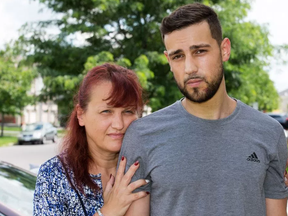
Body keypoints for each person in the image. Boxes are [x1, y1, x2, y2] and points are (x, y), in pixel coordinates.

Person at [120, 3, 288, 216]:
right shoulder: (143, 135)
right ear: (168, 61)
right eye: (178, 56)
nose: (189, 68)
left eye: (199, 51)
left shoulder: (269, 132)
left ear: (224, 50)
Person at [33, 63, 150, 216]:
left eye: (128, 111)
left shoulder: (148, 168)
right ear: (81, 115)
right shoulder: (54, 175)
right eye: (106, 111)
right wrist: (108, 212)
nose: (119, 124)